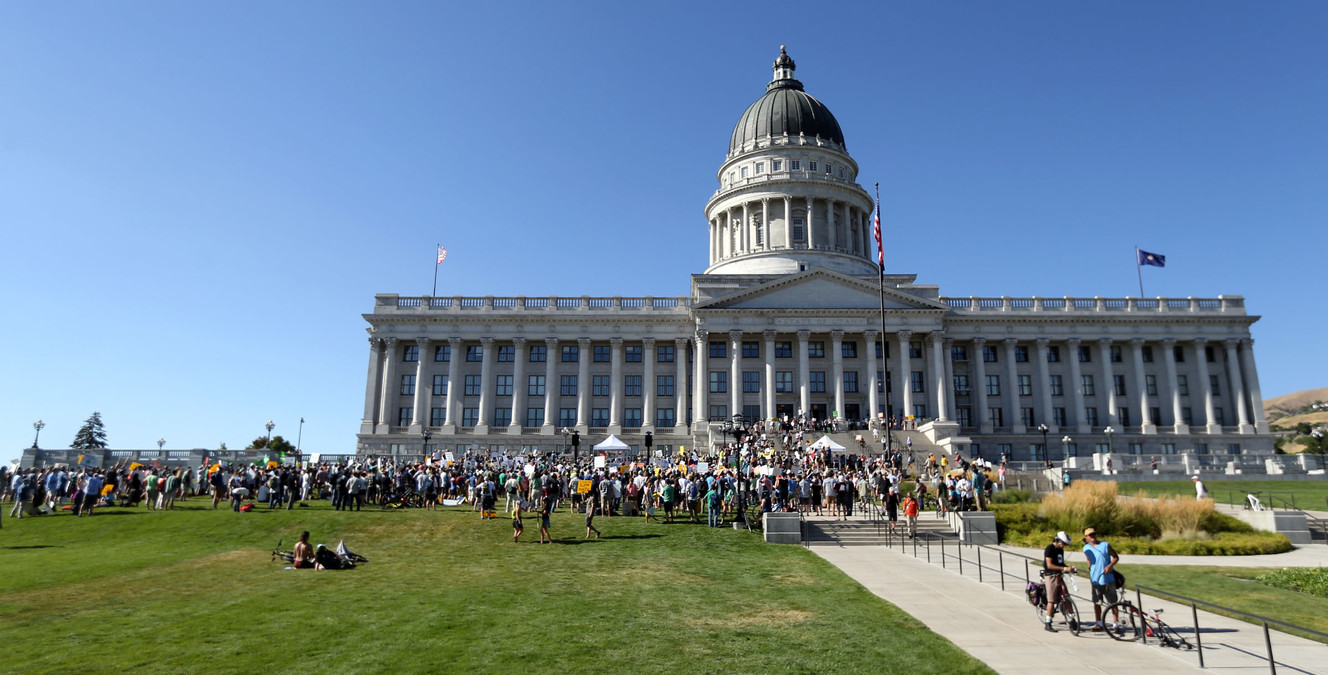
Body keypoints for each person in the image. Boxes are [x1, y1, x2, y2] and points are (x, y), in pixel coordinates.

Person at [1082, 527, 1120, 631]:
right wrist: (1090, 570)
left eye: (1094, 534)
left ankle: (1116, 624)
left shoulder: (1105, 545)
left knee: (1113, 602)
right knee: (1097, 602)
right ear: (1086, 537)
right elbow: (1089, 560)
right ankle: (1099, 623)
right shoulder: (1086, 548)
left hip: (1108, 579)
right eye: (1090, 535)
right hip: (1095, 579)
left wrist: (1109, 566)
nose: (1093, 537)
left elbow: (1116, 557)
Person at [1041, 531, 1078, 632]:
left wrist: (1069, 568)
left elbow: (1060, 563)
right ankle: (1048, 622)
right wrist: (1065, 569)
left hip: (1059, 575)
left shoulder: (1060, 550)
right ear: (1058, 540)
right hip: (1051, 576)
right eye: (1063, 544)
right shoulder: (1050, 549)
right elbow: (1049, 565)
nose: (1064, 546)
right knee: (1051, 600)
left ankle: (1072, 619)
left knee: (1066, 597)